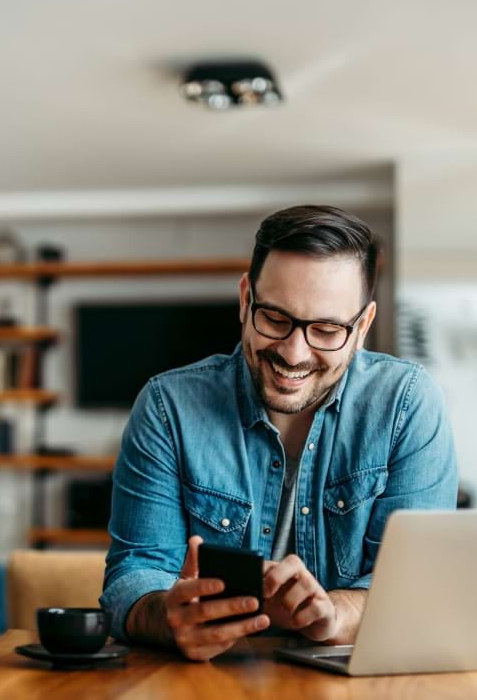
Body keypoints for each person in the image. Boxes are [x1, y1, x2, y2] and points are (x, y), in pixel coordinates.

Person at [99, 205, 458, 661]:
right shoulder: (168, 407)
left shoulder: (408, 405)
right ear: (246, 299)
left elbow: (417, 588)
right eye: (274, 318)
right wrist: (168, 616)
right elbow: (133, 577)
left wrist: (333, 614)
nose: (293, 353)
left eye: (326, 329)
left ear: (362, 325)